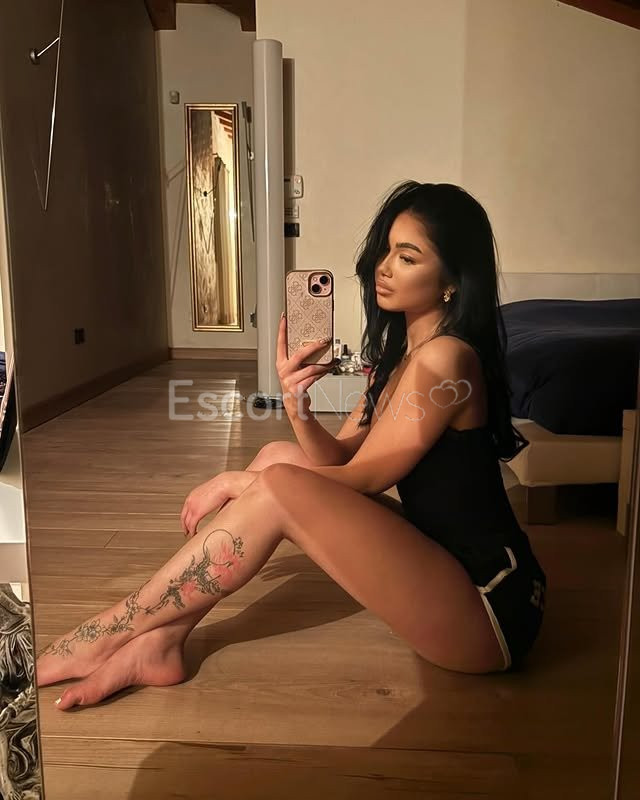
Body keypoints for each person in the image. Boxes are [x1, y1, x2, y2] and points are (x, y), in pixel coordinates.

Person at [36, 180, 547, 710]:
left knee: (277, 482)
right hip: (439, 557)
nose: (384, 267)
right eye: (385, 250)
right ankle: (161, 642)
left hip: (489, 603)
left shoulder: (447, 359)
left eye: (407, 256)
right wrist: (296, 400)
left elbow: (367, 478)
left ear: (452, 282)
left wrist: (238, 482)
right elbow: (341, 459)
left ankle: (110, 632)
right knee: (277, 458)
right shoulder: (403, 358)